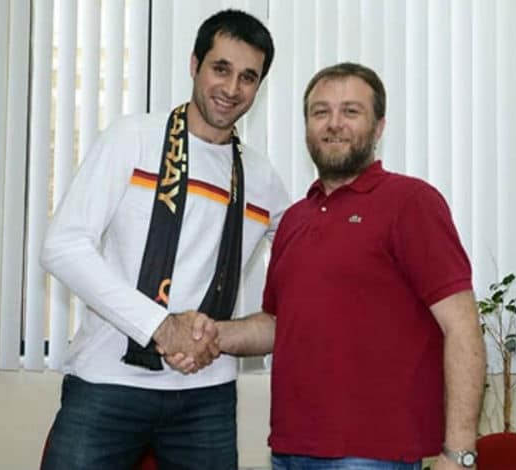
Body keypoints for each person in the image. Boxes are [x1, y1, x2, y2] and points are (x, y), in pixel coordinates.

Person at [195, 62, 486, 470]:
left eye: (351, 111)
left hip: (373, 454)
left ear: (379, 127)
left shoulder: (411, 202)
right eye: (321, 112)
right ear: (307, 127)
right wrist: (210, 333)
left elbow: (462, 326)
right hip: (289, 450)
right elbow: (278, 325)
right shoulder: (294, 219)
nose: (334, 123)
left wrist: (460, 452)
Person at [39, 9, 289, 470]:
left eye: (248, 77)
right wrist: (159, 325)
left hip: (207, 395)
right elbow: (63, 246)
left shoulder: (262, 178)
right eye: (221, 69)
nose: (232, 88)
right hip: (107, 383)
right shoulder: (132, 138)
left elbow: (310, 258)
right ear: (194, 64)